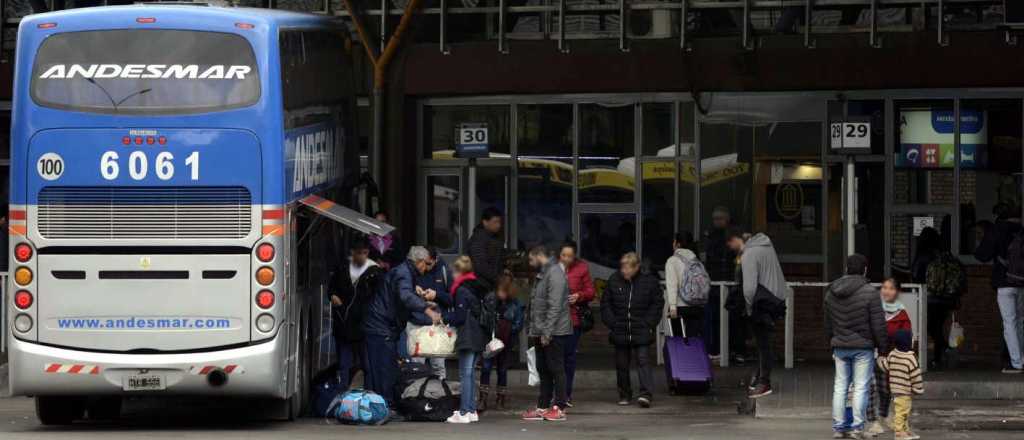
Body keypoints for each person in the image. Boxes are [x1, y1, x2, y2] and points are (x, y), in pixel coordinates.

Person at [362, 246, 443, 407]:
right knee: (384, 369)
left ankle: (376, 405)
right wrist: (428, 310)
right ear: (419, 262)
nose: (427, 268)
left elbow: (402, 295)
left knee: (379, 369)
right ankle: (384, 405)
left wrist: (418, 297)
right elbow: (405, 296)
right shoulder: (404, 273)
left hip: (379, 325)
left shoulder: (404, 271)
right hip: (381, 326)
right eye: (426, 264)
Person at [824, 254, 888, 439]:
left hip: (840, 346)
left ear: (846, 269)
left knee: (840, 386)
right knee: (861, 387)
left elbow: (827, 323)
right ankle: (857, 428)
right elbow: (878, 324)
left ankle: (839, 427)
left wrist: (832, 342)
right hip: (863, 347)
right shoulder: (870, 293)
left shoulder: (831, 291)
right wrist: (883, 349)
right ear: (865, 270)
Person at [728, 230, 788, 398]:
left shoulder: (749, 254)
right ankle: (759, 377)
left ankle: (764, 383)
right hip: (775, 300)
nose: (730, 245)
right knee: (766, 343)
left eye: (732, 241)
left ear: (741, 240)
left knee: (763, 344)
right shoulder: (767, 247)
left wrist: (748, 309)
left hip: (761, 303)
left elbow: (749, 288)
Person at [602, 252, 664, 408]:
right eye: (622, 267)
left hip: (641, 328)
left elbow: (657, 303)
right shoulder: (614, 280)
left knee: (643, 360)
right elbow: (606, 303)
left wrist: (648, 323)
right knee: (621, 364)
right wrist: (612, 322)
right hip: (620, 329)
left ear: (637, 267)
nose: (624, 270)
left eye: (628, 267)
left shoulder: (649, 281)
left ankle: (646, 394)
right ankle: (624, 394)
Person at [521, 245, 572, 422]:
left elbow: (555, 306)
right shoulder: (544, 273)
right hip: (542, 329)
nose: (530, 263)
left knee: (556, 368)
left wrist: (547, 333)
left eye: (531, 259)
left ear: (539, 256)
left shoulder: (554, 273)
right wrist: (536, 330)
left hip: (554, 331)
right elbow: (537, 304)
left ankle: (559, 407)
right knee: (543, 368)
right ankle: (542, 406)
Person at [974, 203, 1024, 374]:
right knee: (1020, 321)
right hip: (1022, 282)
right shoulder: (1022, 230)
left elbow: (982, 255)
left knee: (1010, 323)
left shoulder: (998, 230)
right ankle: (1021, 358)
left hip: (1004, 282)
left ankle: (1016, 362)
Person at [330, 237, 384, 388]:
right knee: (344, 364)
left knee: (367, 365)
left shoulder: (374, 271)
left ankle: (369, 393)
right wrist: (333, 296)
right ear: (352, 253)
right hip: (343, 323)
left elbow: (380, 296)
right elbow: (331, 288)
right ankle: (342, 394)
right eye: (359, 253)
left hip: (365, 325)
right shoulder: (342, 268)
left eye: (365, 253)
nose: (362, 256)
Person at [444, 256, 489, 424]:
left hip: (468, 335)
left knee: (465, 374)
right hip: (479, 335)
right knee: (470, 374)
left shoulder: (461, 290)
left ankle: (463, 412)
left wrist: (445, 317)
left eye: (453, 272)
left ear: (459, 272)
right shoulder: (476, 287)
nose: (452, 275)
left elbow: (460, 317)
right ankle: (471, 410)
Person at [868, 278, 913, 436]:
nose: (887, 291)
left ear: (897, 292)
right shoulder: (874, 309)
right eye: (884, 287)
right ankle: (873, 421)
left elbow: (906, 338)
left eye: (891, 288)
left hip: (889, 357)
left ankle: (884, 415)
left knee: (885, 389)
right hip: (869, 353)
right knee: (870, 388)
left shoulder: (902, 313)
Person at [911, 226, 957, 370]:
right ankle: (939, 356)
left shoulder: (923, 255)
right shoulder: (944, 254)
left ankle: (942, 351)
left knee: (931, 327)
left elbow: (916, 274)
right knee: (937, 327)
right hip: (945, 297)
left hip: (929, 297)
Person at [703, 208, 744, 362]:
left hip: (731, 283)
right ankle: (717, 349)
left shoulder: (732, 235)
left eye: (720, 218)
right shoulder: (710, 236)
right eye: (715, 218)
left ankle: (734, 349)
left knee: (733, 319)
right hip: (714, 283)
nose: (717, 221)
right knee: (715, 319)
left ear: (727, 219)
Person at [558, 240, 595, 407]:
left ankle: (566, 394)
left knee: (569, 357)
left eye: (570, 256)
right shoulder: (552, 268)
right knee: (555, 358)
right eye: (563, 255)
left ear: (575, 256)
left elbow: (591, 292)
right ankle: (555, 393)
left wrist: (579, 296)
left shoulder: (582, 268)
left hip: (573, 319)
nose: (566, 259)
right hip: (555, 320)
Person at [480, 274, 524, 411]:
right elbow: (483, 319)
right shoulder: (490, 299)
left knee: (502, 369)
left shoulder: (516, 303)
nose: (501, 294)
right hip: (490, 338)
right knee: (486, 367)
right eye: (500, 290)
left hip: (506, 340)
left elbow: (519, 323)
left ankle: (500, 399)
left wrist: (506, 329)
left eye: (504, 291)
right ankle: (483, 398)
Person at [407, 247, 453, 378]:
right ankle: (417, 390)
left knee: (438, 366)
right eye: (423, 263)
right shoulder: (412, 270)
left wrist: (436, 296)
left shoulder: (444, 271)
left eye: (428, 264)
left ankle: (440, 389)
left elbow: (452, 299)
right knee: (416, 367)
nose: (425, 267)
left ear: (435, 260)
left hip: (437, 324)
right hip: (416, 322)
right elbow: (403, 294)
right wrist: (415, 291)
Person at [878, 330, 924, 440]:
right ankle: (899, 433)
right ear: (907, 342)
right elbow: (916, 375)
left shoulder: (892, 354)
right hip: (904, 390)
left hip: (894, 389)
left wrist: (880, 360)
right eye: (911, 339)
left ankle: (905, 430)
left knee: (903, 411)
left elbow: (886, 367)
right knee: (901, 412)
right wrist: (918, 388)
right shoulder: (911, 358)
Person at [665, 232, 705, 339]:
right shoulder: (696, 260)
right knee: (693, 342)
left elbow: (672, 285)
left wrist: (672, 307)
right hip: (696, 307)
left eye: (674, 241)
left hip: (679, 307)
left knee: (678, 342)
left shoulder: (672, 261)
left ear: (678, 244)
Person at [468, 207, 505, 290]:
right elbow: (481, 266)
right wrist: (498, 279)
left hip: (491, 284)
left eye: (499, 222)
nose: (498, 225)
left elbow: (497, 261)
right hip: (480, 286)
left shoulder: (495, 238)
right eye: (495, 222)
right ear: (485, 222)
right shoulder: (478, 239)